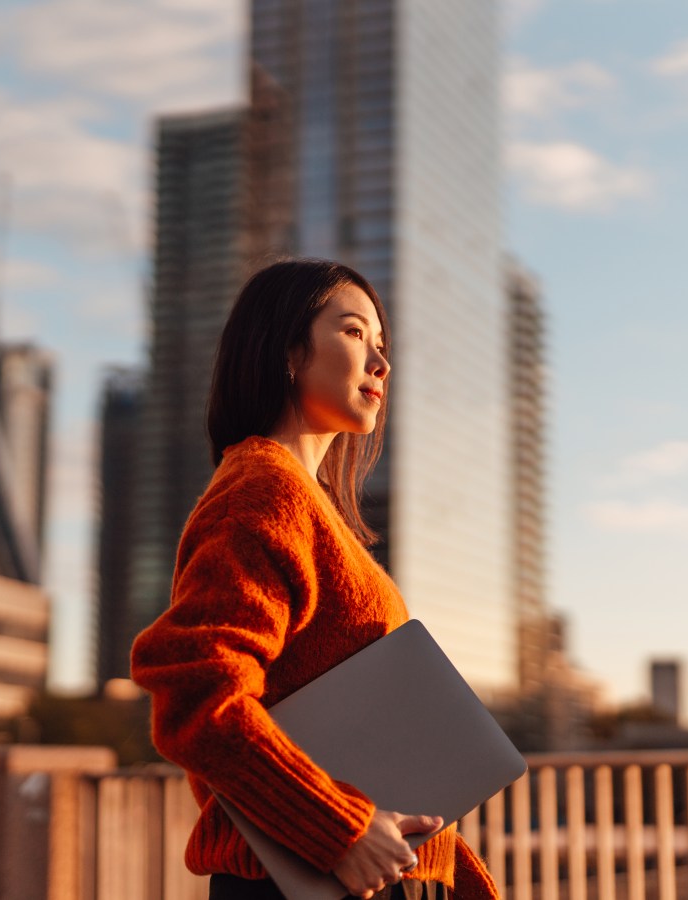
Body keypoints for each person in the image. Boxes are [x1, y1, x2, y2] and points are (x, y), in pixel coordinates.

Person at [130, 259, 499, 900]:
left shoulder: (310, 506)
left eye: (382, 346)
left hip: (368, 869)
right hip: (308, 875)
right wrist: (339, 830)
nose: (381, 364)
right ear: (289, 350)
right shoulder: (263, 490)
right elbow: (197, 693)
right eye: (355, 333)